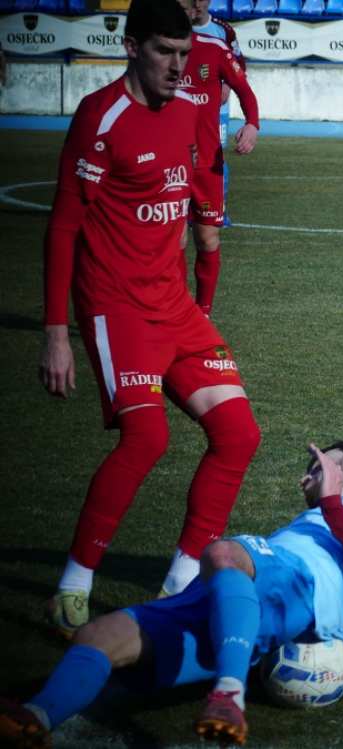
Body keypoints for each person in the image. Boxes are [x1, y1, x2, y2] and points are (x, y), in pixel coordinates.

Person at [38, 0, 261, 640]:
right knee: (147, 439)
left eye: (184, 53)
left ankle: (182, 583)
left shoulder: (191, 111)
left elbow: (196, 194)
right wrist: (56, 334)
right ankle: (72, 587)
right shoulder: (99, 117)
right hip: (116, 307)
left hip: (175, 307)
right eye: (165, 51)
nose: (178, 65)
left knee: (239, 435)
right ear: (132, 47)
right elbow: (63, 227)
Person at [0, 441, 343, 747]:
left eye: (319, 463)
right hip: (243, 597)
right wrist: (327, 504)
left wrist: (332, 503)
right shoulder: (321, 513)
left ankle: (229, 693)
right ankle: (36, 718)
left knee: (221, 551)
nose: (306, 477)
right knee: (99, 635)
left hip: (300, 582)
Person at [177, 0, 260, 317]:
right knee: (174, 240)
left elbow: (244, 90)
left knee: (207, 237)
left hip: (207, 164)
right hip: (169, 164)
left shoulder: (214, 48)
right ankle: (175, 311)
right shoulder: (154, 51)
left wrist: (252, 124)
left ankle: (203, 313)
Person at [187, 0, 244, 229]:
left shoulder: (223, 30)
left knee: (214, 156)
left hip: (216, 108)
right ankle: (183, 208)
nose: (197, 4)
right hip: (182, 108)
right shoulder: (175, 29)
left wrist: (227, 85)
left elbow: (239, 63)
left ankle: (218, 208)